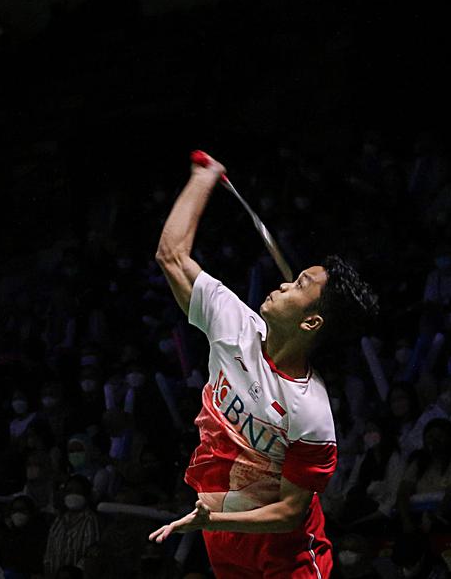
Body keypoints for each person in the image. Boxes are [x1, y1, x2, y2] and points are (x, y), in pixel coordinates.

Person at [149, 152, 379, 578]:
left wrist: (211, 520)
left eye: (299, 285)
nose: (283, 283)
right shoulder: (232, 323)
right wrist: (205, 176)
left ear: (311, 322)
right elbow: (172, 256)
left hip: (287, 560)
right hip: (224, 540)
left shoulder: (310, 412)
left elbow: (291, 513)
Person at [44, 475, 100, 577]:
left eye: (78, 491)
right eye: (69, 491)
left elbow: (90, 554)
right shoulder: (59, 519)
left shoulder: (90, 519)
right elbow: (49, 550)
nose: (73, 495)